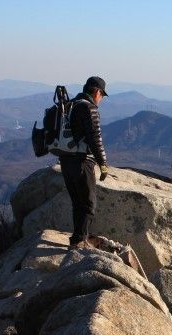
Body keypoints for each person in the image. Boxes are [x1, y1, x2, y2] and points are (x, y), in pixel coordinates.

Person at [60, 76, 110, 249]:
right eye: (102, 95)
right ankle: (80, 241)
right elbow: (95, 138)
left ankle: (78, 238)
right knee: (89, 204)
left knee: (78, 202)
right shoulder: (89, 108)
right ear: (96, 91)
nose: (101, 99)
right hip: (82, 161)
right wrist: (103, 164)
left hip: (66, 160)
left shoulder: (70, 104)